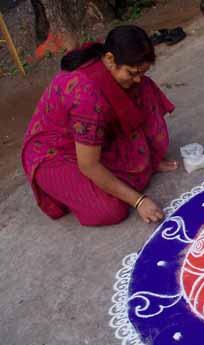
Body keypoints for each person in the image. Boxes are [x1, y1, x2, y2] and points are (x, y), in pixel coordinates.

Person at [21, 25, 178, 226]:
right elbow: (89, 165)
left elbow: (135, 84)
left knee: (144, 87)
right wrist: (139, 201)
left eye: (141, 72)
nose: (137, 79)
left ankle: (143, 165)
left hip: (88, 140)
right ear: (110, 59)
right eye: (132, 73)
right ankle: (69, 189)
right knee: (111, 210)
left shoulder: (107, 62)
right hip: (55, 154)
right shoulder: (87, 98)